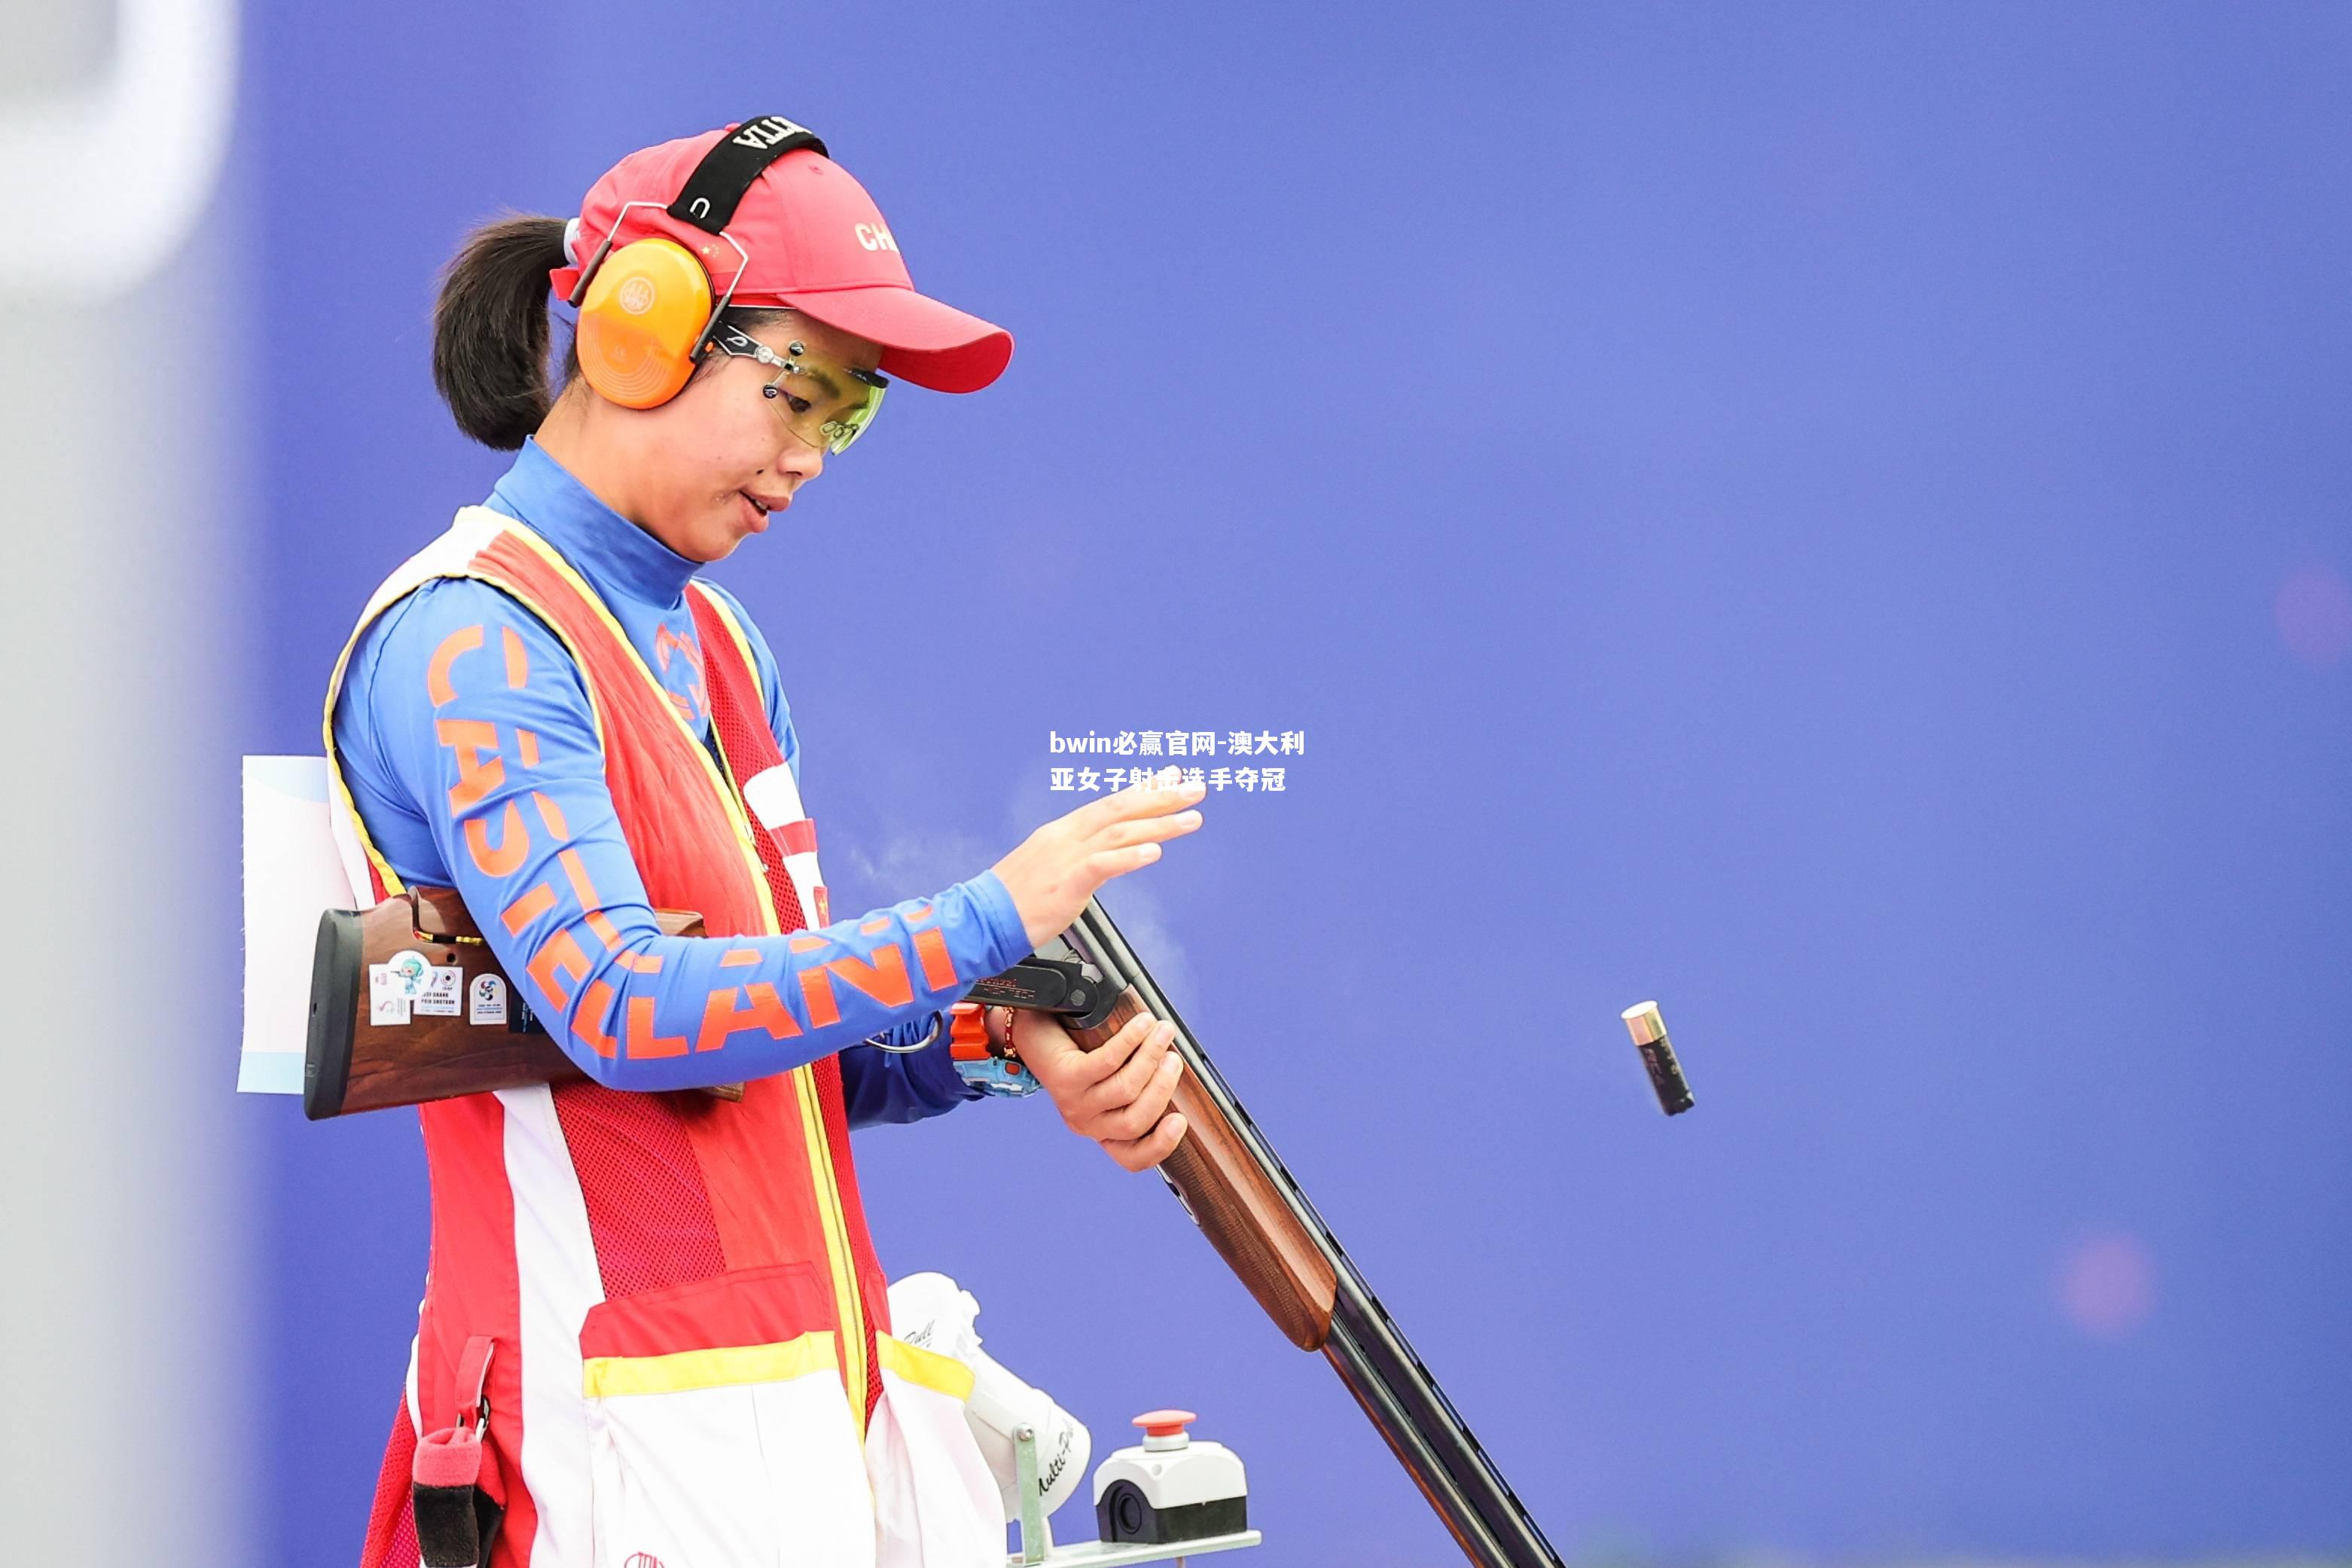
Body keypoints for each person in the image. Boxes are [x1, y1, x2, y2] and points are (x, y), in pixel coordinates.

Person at [325, 117, 1206, 1568]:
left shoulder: (720, 645)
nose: (810, 456)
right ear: (637, 330)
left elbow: (783, 1043)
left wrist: (994, 1034)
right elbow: (625, 1007)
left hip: (761, 1444)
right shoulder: (476, 638)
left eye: (848, 415)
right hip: (586, 1459)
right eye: (797, 388)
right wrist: (993, 915)